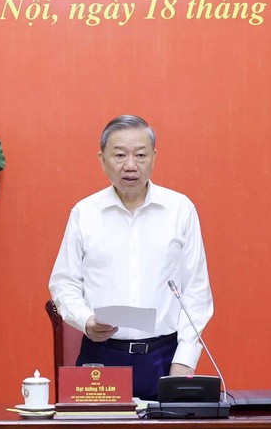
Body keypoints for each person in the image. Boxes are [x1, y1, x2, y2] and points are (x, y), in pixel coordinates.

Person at [49, 115, 214, 401]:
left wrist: (185, 358)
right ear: (102, 159)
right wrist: (87, 321)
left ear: (154, 157)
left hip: (164, 356)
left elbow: (196, 291)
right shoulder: (84, 213)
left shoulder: (180, 210)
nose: (130, 165)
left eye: (140, 155)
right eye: (119, 155)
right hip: (101, 356)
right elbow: (64, 283)